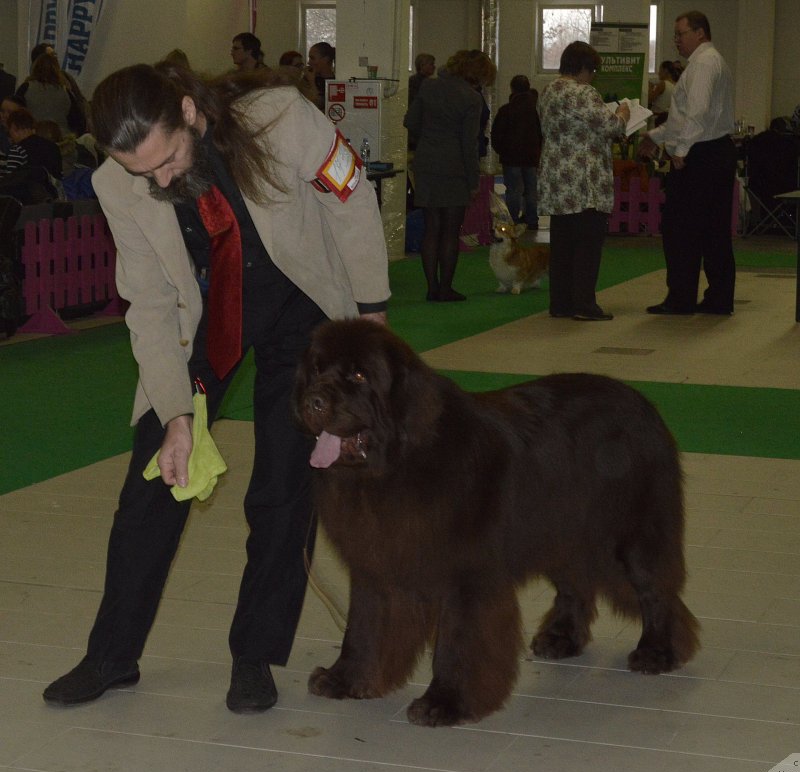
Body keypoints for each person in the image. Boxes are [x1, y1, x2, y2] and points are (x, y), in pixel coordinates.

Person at [42, 63, 390, 712]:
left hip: (303, 312)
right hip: (205, 320)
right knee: (154, 481)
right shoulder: (118, 182)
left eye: (167, 160)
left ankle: (254, 655)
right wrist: (176, 414)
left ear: (188, 111)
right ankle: (110, 655)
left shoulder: (280, 119)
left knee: (283, 490)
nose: (159, 181)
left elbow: (350, 198)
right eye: (142, 172)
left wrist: (371, 315)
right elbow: (149, 303)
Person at [639, 10, 736, 315]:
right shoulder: (707, 62)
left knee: (680, 228)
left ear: (699, 33)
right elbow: (683, 118)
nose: (676, 40)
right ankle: (718, 298)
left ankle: (681, 299)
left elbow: (697, 112)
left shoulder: (704, 64)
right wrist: (656, 136)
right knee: (713, 230)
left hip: (701, 154)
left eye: (680, 34)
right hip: (713, 151)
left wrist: (680, 150)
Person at [537, 41, 629, 321]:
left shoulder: (548, 91)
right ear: (585, 68)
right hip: (584, 182)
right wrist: (623, 113)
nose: (593, 77)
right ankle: (584, 305)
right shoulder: (583, 92)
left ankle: (561, 304)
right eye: (593, 71)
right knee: (587, 247)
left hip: (557, 179)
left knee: (562, 247)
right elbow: (612, 126)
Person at [404, 49, 496, 302]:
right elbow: (468, 143)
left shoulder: (428, 86)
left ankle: (431, 287)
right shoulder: (472, 98)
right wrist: (473, 180)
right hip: (454, 168)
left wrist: (429, 138)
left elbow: (410, 122)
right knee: (450, 231)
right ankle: (445, 288)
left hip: (426, 163)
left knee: (431, 227)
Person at [491, 74, 543, 230]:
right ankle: (532, 219)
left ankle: (512, 220)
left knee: (514, 190)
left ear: (512, 89)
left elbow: (496, 134)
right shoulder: (535, 111)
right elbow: (541, 134)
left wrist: (502, 151)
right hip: (531, 157)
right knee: (531, 190)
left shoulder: (506, 110)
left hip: (511, 157)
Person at [14, 51, 74, 137]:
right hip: (60, 137)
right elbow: (76, 119)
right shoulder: (65, 92)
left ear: (35, 68)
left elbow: (16, 113)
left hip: (33, 136)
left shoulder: (26, 88)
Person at [0, 108, 62, 179]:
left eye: (10, 131)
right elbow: (59, 176)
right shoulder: (53, 147)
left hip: (29, 185)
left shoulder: (18, 150)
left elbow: (11, 180)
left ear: (14, 128)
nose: (10, 136)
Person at [648, 60, 681, 126]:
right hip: (668, 120)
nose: (658, 73)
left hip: (657, 119)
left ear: (665, 71)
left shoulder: (663, 84)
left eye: (660, 70)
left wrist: (650, 87)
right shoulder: (676, 85)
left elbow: (649, 99)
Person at [306, 42, 335, 111]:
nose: (309, 62)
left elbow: (318, 105)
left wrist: (312, 82)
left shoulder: (335, 82)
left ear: (325, 59)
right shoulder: (306, 79)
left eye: (312, 58)